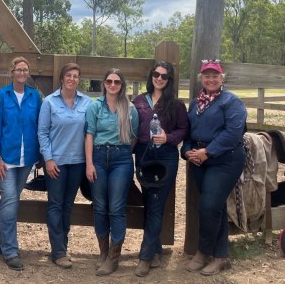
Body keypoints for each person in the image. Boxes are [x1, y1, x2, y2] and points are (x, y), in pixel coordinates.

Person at [181, 59, 247, 276]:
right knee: (214, 207)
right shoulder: (195, 103)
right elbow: (189, 133)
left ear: (222, 78)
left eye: (215, 76)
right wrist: (188, 152)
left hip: (225, 159)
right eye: (207, 76)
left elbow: (233, 133)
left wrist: (207, 152)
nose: (211, 79)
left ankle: (204, 252)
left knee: (208, 206)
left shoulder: (231, 102)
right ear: (201, 78)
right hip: (200, 160)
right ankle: (221, 255)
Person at [132, 61, 189, 277]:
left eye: (164, 76)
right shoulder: (138, 101)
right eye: (156, 74)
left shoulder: (175, 104)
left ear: (169, 80)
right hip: (144, 154)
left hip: (165, 155)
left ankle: (145, 257)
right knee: (149, 201)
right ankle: (155, 250)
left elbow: (184, 129)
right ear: (151, 76)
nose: (159, 78)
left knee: (156, 204)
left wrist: (169, 138)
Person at [85, 68, 139, 276]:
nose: (113, 85)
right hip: (98, 157)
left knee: (116, 207)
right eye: (109, 81)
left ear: (122, 84)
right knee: (99, 206)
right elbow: (89, 135)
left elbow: (133, 138)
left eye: (117, 81)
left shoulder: (130, 109)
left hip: (121, 159)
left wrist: (121, 153)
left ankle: (114, 257)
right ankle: (103, 252)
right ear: (104, 83)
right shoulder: (95, 106)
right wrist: (89, 164)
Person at [0, 56, 42, 271]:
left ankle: (0, 242)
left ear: (28, 73)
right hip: (6, 159)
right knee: (10, 199)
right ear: (11, 72)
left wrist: (39, 155)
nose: (22, 73)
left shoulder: (34, 96)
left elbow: (40, 125)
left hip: (27, 158)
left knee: (11, 200)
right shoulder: (2, 95)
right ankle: (10, 250)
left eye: (25, 70)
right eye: (18, 69)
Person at [37, 63, 91, 269]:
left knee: (68, 206)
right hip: (56, 163)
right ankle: (58, 251)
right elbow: (42, 132)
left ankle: (62, 245)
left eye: (76, 76)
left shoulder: (87, 102)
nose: (72, 79)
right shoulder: (50, 102)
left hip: (77, 162)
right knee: (55, 204)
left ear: (79, 80)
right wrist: (48, 159)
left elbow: (91, 131)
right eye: (68, 75)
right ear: (62, 78)